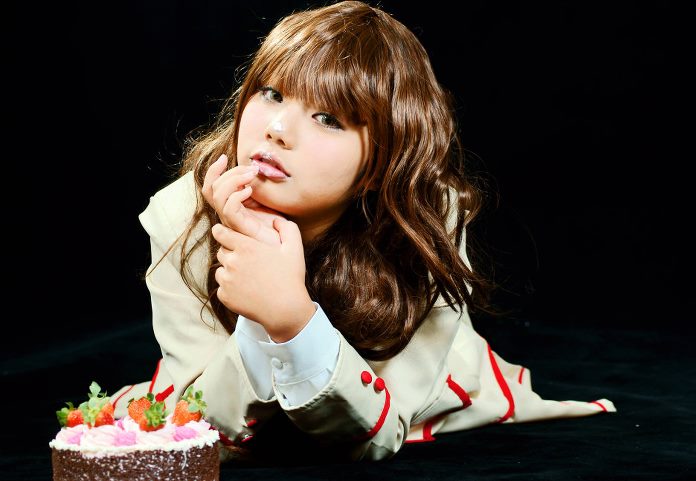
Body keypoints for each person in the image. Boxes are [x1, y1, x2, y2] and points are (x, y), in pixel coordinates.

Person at [110, 0, 615, 462]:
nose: (277, 129)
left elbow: (377, 432)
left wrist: (291, 320)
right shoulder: (183, 214)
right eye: (271, 93)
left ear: (380, 162)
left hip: (421, 391)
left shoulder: (426, 221)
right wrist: (261, 311)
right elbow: (201, 421)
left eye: (328, 118)